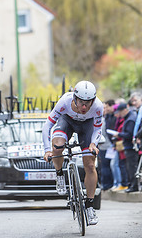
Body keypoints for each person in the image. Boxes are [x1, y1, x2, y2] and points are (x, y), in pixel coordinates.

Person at [42, 81, 103, 225]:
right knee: (57, 146)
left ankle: (89, 205)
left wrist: (93, 143)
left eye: (88, 103)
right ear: (75, 98)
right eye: (81, 102)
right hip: (67, 122)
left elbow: (98, 128)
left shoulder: (98, 106)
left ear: (93, 101)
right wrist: (47, 150)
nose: (84, 107)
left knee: (89, 165)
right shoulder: (64, 101)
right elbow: (48, 125)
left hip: (87, 127)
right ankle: (59, 174)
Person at [113, 103, 138, 193]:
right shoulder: (129, 117)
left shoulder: (130, 119)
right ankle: (131, 185)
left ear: (124, 110)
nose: (119, 114)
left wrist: (119, 134)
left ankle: (133, 186)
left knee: (131, 167)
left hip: (130, 147)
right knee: (129, 167)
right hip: (128, 146)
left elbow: (129, 134)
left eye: (120, 112)